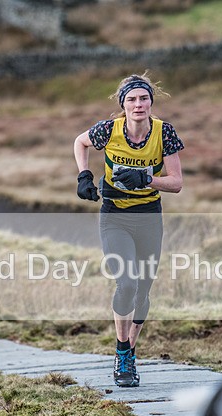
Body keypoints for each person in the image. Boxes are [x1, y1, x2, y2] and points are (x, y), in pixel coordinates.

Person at [73, 72, 184, 387]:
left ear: (151, 102)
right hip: (115, 216)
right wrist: (84, 175)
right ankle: (123, 353)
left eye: (144, 98)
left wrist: (148, 179)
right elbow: (80, 142)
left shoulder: (165, 133)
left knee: (143, 291)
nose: (139, 104)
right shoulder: (109, 130)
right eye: (132, 99)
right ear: (123, 104)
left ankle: (130, 352)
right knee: (127, 283)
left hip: (149, 216)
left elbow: (176, 183)